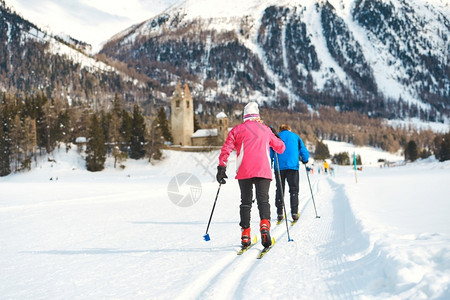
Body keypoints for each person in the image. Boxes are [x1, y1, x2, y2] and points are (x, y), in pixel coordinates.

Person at [216, 102, 285, 248]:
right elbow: (280, 148)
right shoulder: (266, 129)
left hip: (244, 171)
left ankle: (245, 234)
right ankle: (265, 226)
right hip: (263, 170)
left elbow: (226, 149)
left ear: (245, 116)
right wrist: (274, 134)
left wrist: (221, 167)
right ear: (257, 115)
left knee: (245, 202)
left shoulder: (236, 130)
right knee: (263, 201)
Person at [270, 124, 309, 222]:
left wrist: (270, 162)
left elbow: (270, 151)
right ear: (289, 129)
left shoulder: (276, 137)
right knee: (294, 190)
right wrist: (305, 159)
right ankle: (294, 212)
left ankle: (279, 213)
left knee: (280, 189)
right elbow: (303, 149)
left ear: (280, 130)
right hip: (292, 167)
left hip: (279, 167)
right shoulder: (295, 136)